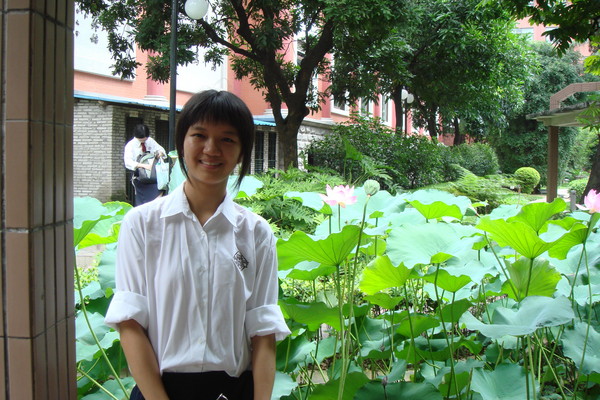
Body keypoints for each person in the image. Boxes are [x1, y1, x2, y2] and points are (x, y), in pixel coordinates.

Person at [105, 90, 290, 400]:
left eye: (227, 139)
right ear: (182, 142)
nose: (211, 149)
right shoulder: (142, 225)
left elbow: (263, 332)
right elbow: (130, 323)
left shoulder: (256, 233)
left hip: (234, 391)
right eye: (199, 135)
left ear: (242, 152)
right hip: (159, 391)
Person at [124, 123, 166, 206]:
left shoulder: (150, 141)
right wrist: (143, 166)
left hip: (153, 175)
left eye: (145, 139)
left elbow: (161, 150)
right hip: (140, 176)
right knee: (143, 200)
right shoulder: (130, 145)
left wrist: (160, 154)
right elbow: (128, 162)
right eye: (141, 140)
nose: (143, 141)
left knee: (160, 190)